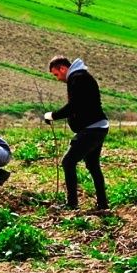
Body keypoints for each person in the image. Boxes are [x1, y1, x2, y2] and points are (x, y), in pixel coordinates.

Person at [44, 56, 109, 210]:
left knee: (68, 162)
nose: (57, 78)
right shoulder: (80, 77)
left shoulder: (77, 78)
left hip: (92, 129)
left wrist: (53, 115)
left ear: (63, 68)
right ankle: (102, 204)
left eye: (56, 74)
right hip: (99, 126)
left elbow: (74, 105)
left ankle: (72, 204)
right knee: (93, 165)